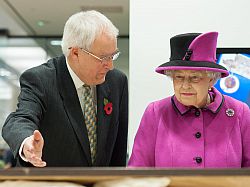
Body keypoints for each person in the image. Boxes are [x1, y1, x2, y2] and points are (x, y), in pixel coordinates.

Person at [2, 10, 128, 167]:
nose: (110, 65)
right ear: (75, 53)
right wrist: (27, 141)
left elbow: (118, 149)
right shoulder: (40, 79)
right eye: (103, 58)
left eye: (113, 55)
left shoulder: (117, 81)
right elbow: (19, 119)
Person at [128, 32, 250, 168]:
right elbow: (137, 171)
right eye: (178, 77)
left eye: (194, 77)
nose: (185, 86)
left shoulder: (240, 112)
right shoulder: (155, 112)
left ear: (211, 79)